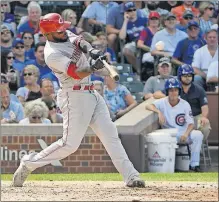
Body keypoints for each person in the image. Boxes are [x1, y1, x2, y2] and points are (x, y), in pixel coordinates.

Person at [12, 13, 145, 188]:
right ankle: (29, 163)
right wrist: (93, 67)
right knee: (69, 145)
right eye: (59, 30)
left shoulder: (64, 33)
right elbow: (76, 72)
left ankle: (131, 176)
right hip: (73, 96)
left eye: (63, 28)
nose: (64, 31)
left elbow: (79, 41)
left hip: (91, 93)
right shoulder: (52, 53)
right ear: (48, 35)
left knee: (111, 136)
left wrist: (91, 50)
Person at [146, 78, 203, 172]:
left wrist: (186, 134)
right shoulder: (162, 102)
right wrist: (158, 112)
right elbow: (148, 106)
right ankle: (165, 168)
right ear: (167, 91)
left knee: (197, 135)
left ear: (179, 91)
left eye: (175, 90)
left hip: (182, 133)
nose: (173, 93)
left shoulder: (185, 104)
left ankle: (194, 165)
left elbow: (191, 123)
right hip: (168, 134)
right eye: (171, 90)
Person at [177, 64, 211, 141]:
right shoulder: (175, 89)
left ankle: (199, 145)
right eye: (185, 76)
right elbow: (161, 94)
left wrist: (204, 117)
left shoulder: (199, 89)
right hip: (180, 117)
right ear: (180, 76)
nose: (187, 78)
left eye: (189, 75)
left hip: (195, 117)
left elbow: (205, 107)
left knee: (205, 126)